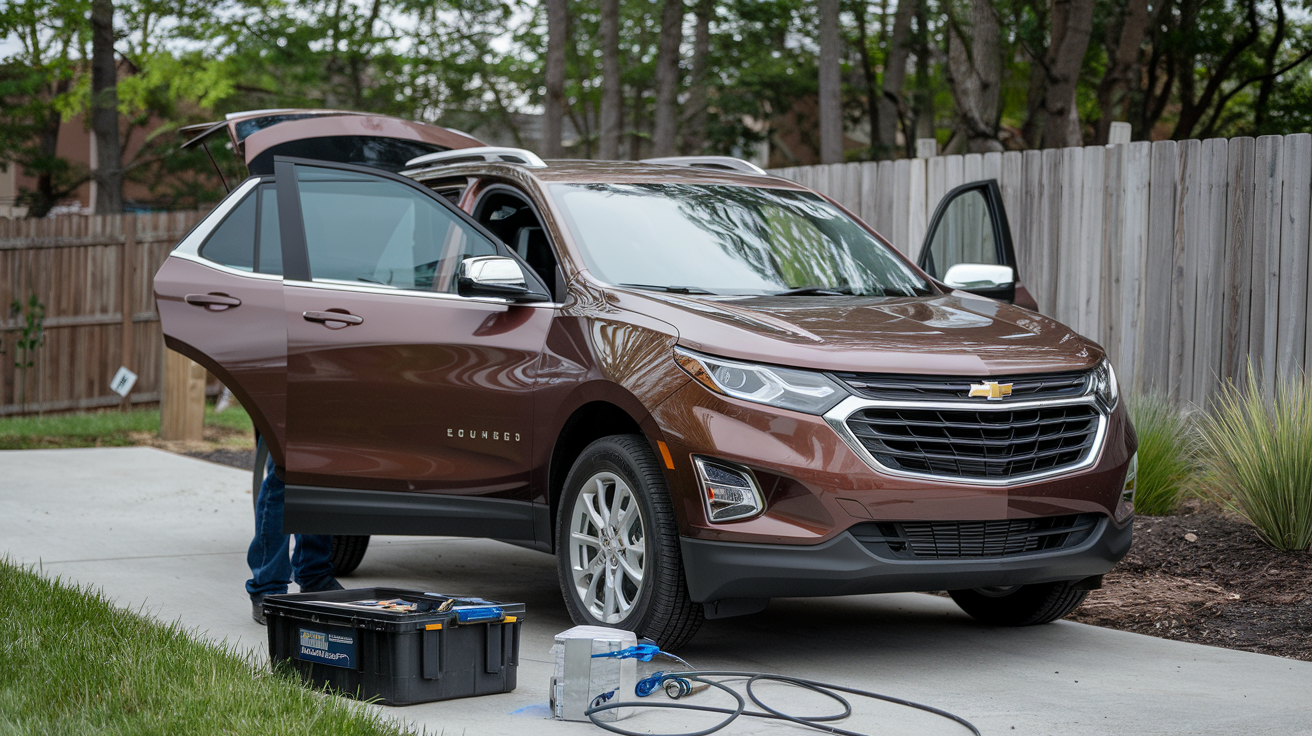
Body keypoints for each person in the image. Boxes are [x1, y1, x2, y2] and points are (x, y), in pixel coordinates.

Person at [247, 437, 341, 624]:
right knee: (285, 473)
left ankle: (315, 577)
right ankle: (268, 588)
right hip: (286, 410)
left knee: (320, 470)